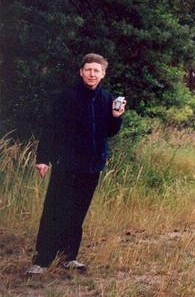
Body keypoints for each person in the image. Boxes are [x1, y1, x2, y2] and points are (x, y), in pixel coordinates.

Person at [26, 53, 126, 275]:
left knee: (77, 213)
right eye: (88, 69)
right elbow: (51, 128)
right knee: (55, 210)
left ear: (103, 74)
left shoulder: (107, 99)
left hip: (92, 166)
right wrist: (43, 158)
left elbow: (109, 131)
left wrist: (117, 116)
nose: (92, 74)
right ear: (81, 72)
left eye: (96, 71)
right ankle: (42, 260)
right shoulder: (66, 97)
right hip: (66, 164)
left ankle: (69, 257)